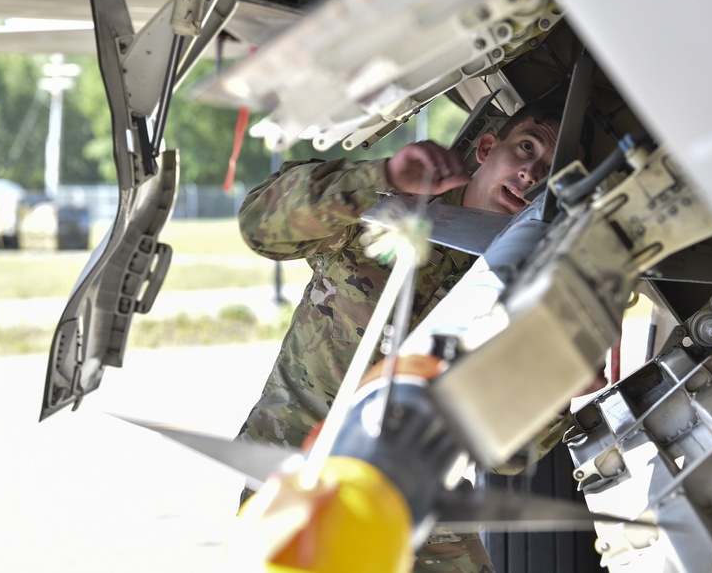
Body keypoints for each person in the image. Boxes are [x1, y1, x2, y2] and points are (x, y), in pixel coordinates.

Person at [236, 101, 563, 573]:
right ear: (488, 148)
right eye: (525, 148)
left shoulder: (526, 289)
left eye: (549, 169)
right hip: (300, 479)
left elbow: (509, 456)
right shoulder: (390, 213)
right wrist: (382, 177)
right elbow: (259, 226)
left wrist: (556, 385)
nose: (530, 173)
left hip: (420, 507)